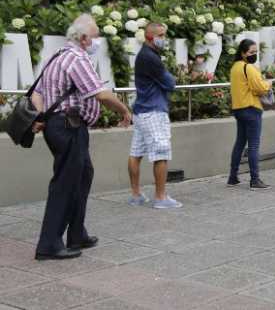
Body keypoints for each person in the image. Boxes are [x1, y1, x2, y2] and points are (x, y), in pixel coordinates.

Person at [30, 14, 132, 260]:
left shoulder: (56, 56)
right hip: (69, 127)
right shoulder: (77, 59)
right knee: (65, 183)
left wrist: (44, 115)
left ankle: (77, 233)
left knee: (83, 175)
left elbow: (35, 93)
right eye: (96, 36)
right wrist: (125, 110)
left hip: (62, 127)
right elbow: (101, 94)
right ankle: (49, 244)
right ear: (84, 38)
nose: (97, 40)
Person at [128, 23, 182, 209]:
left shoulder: (145, 55)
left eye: (165, 35)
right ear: (149, 37)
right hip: (154, 111)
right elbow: (170, 83)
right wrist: (170, 79)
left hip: (141, 112)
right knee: (161, 152)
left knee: (136, 153)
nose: (164, 38)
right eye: (161, 35)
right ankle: (160, 197)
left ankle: (136, 195)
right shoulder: (151, 58)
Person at [228, 39, 272, 190]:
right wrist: (268, 84)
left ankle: (233, 177)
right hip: (252, 109)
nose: (254, 55)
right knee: (253, 145)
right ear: (243, 52)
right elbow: (260, 88)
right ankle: (255, 180)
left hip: (238, 109)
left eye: (256, 52)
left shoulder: (235, 67)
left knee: (239, 143)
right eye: (251, 52)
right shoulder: (249, 68)